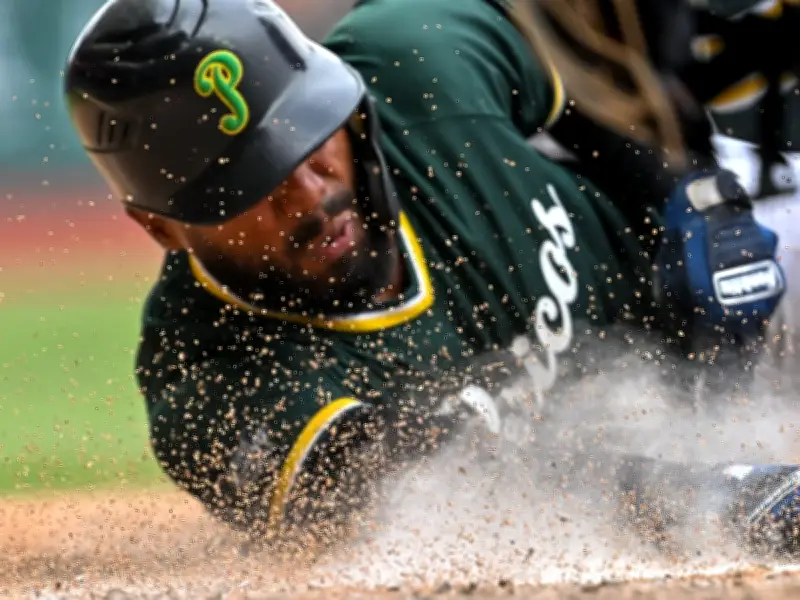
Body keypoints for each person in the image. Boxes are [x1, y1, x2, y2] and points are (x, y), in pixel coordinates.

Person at [63, 0, 788, 551]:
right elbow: (453, 493)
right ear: (159, 225)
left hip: (732, 301)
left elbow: (595, 94)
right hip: (662, 449)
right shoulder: (215, 388)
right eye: (249, 187)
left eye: (308, 141)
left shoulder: (411, 60)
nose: (311, 196)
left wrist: (691, 199)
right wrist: (726, 499)